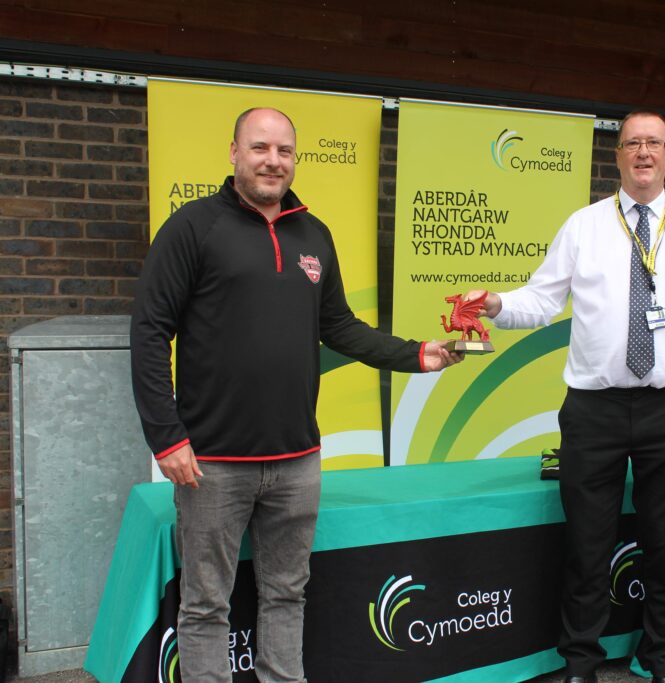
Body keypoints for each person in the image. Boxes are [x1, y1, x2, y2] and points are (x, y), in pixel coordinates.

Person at [130, 107, 461, 683]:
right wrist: (166, 437)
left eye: (283, 151)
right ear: (234, 152)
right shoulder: (192, 227)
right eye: (260, 148)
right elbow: (150, 331)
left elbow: (340, 327)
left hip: (296, 459)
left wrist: (415, 355)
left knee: (287, 594)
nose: (272, 161)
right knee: (205, 604)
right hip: (210, 461)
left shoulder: (315, 235)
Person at [468, 111, 665, 683]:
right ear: (617, 155)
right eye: (632, 143)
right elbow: (541, 300)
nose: (643, 152)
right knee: (587, 542)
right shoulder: (584, 225)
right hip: (594, 410)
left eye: (654, 143)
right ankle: (580, 662)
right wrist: (495, 305)